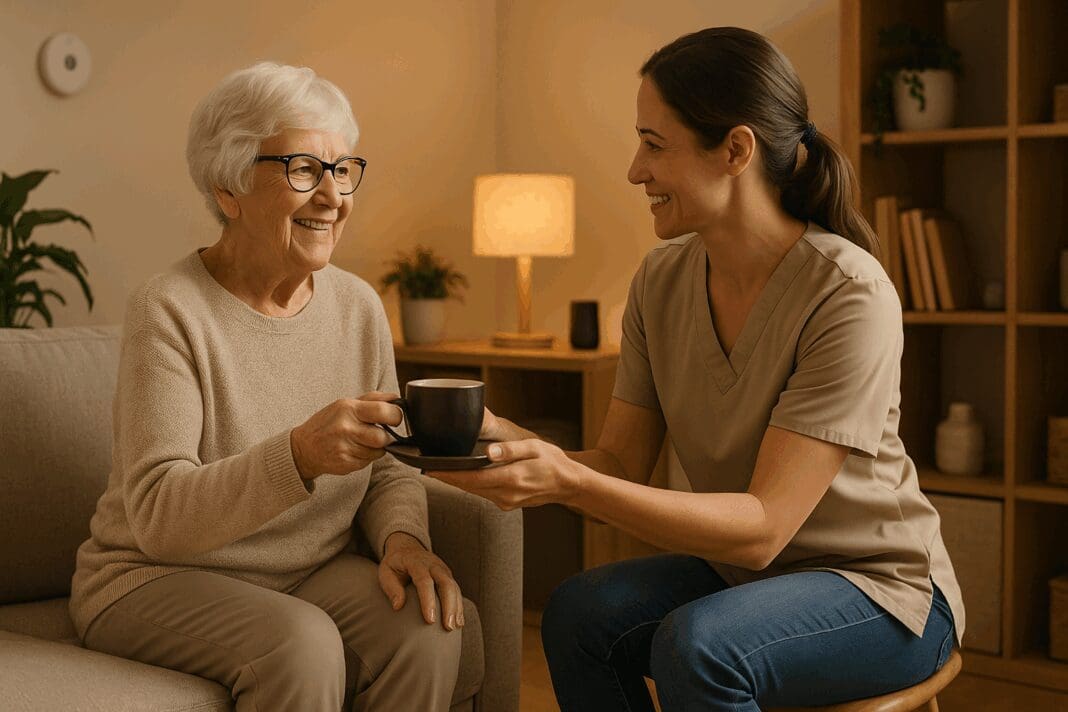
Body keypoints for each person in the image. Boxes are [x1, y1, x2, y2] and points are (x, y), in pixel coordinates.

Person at [430, 27, 965, 711]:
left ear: (736, 150)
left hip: (883, 592)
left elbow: (768, 524)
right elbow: (622, 462)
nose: (633, 170)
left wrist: (567, 483)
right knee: (578, 614)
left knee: (700, 646)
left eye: (654, 144)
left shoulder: (847, 293)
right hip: (744, 577)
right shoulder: (660, 281)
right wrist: (524, 447)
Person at [70, 62, 463, 712]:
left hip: (307, 570)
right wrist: (299, 456)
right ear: (229, 188)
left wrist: (402, 540)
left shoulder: (358, 306)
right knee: (299, 643)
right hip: (155, 577)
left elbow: (389, 462)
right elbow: (161, 519)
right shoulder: (169, 309)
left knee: (427, 622)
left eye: (342, 171)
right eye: (304, 169)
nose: (333, 195)